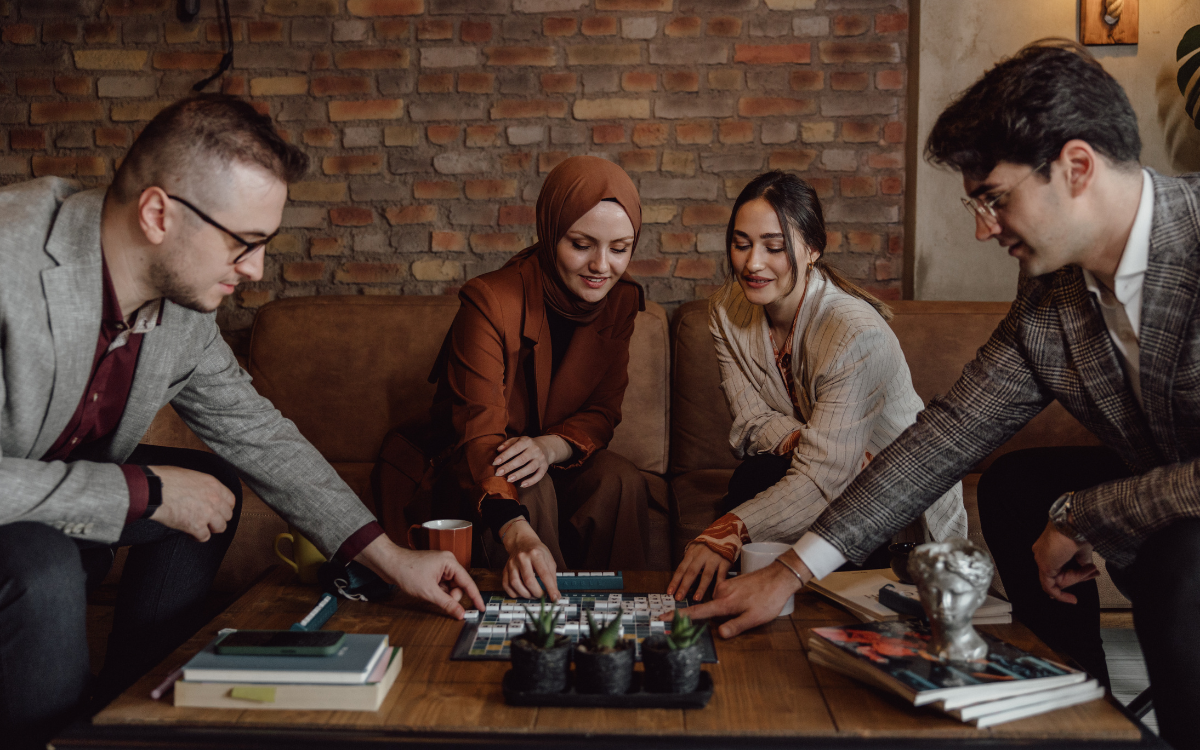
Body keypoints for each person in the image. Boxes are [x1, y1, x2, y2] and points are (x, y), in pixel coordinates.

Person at [685, 39, 1200, 749]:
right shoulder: (1051, 294)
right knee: (1016, 489)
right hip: (1168, 485)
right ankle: (1078, 711)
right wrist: (790, 573)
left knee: (1185, 561)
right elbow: (944, 437)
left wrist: (1089, 513)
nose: (984, 228)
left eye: (995, 198)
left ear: (1076, 167)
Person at [0, 94, 483, 747]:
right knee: (47, 561)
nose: (254, 269)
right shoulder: (12, 260)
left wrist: (393, 559)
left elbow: (262, 437)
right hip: (23, 536)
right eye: (242, 242)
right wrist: (145, 493)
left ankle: (131, 711)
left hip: (53, 509)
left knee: (211, 487)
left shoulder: (183, 316)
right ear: (157, 213)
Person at [666, 171, 966, 601]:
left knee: (777, 490)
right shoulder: (725, 310)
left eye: (773, 247)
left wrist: (727, 530)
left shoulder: (855, 331)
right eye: (741, 243)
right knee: (756, 474)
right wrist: (807, 442)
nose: (752, 264)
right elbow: (751, 420)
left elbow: (826, 476)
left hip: (890, 491)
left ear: (812, 249)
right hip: (823, 464)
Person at [422, 155, 652, 601]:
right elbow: (479, 431)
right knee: (531, 485)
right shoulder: (490, 299)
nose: (601, 266)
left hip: (559, 456)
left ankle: (624, 619)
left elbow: (603, 411)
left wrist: (549, 447)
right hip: (480, 468)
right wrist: (517, 532)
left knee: (620, 479)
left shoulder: (622, 301)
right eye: (582, 244)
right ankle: (548, 626)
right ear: (550, 233)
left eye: (620, 248)